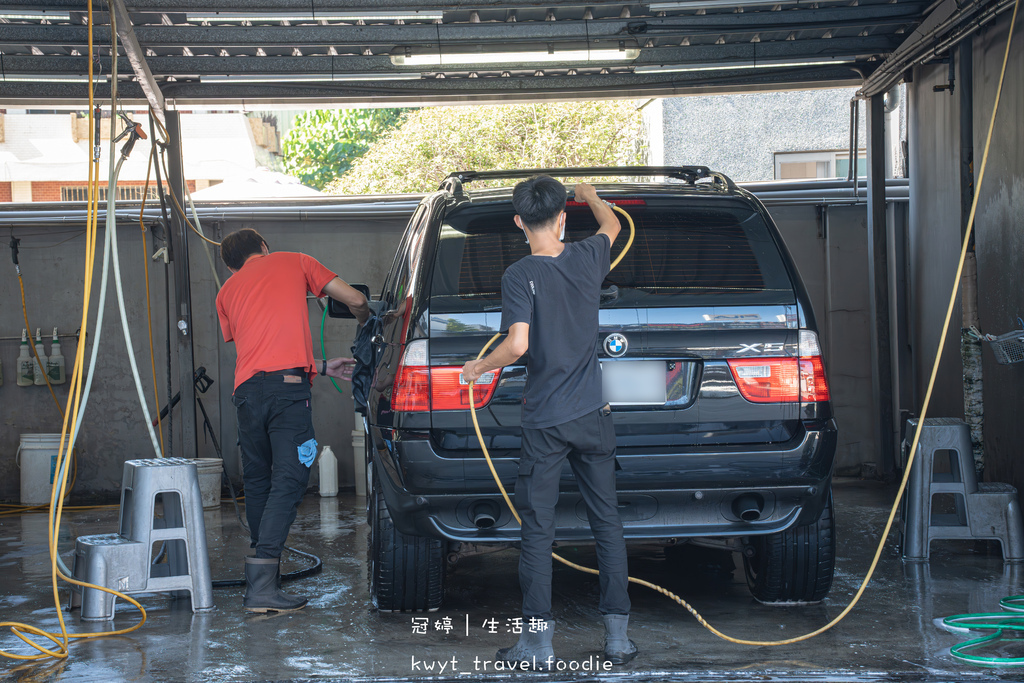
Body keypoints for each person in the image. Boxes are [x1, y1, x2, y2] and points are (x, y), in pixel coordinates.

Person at [461, 177, 637, 668]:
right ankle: (618, 639)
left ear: (519, 222)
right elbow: (612, 224)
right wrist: (591, 195)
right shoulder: (588, 256)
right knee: (607, 522)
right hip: (592, 417)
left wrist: (477, 367)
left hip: (545, 422)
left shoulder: (519, 275)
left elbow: (517, 346)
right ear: (563, 217)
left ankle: (537, 645)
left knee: (538, 530)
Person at [216, 228, 369, 613]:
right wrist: (365, 317)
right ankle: (263, 587)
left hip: (247, 395)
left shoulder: (226, 292)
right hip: (286, 393)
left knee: (258, 480)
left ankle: (264, 576)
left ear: (232, 266)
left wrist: (320, 366)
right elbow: (354, 297)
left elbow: (260, 350)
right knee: (291, 476)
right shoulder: (294, 260)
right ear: (264, 248)